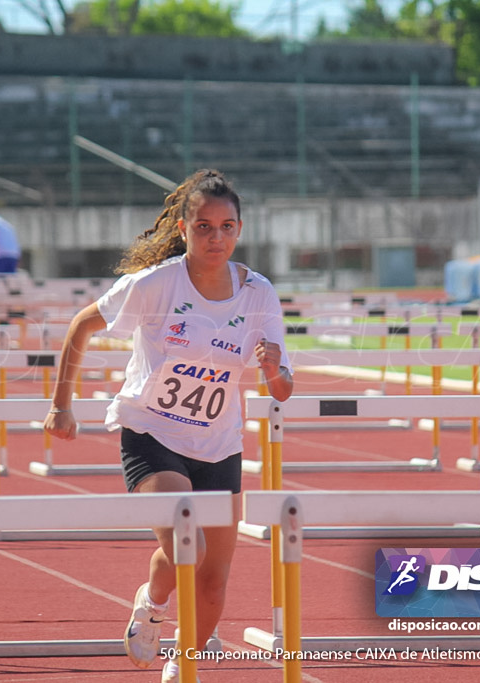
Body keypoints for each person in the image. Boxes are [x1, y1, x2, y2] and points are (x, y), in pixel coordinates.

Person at [43, 169, 293, 682]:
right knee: (189, 544)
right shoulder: (156, 284)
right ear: (183, 229)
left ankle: (184, 662)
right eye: (204, 227)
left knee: (213, 585)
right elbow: (80, 326)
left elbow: (283, 387)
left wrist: (272, 369)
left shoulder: (259, 295)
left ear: (239, 230)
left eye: (226, 227)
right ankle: (156, 606)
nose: (215, 238)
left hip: (219, 445)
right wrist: (61, 405)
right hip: (151, 433)